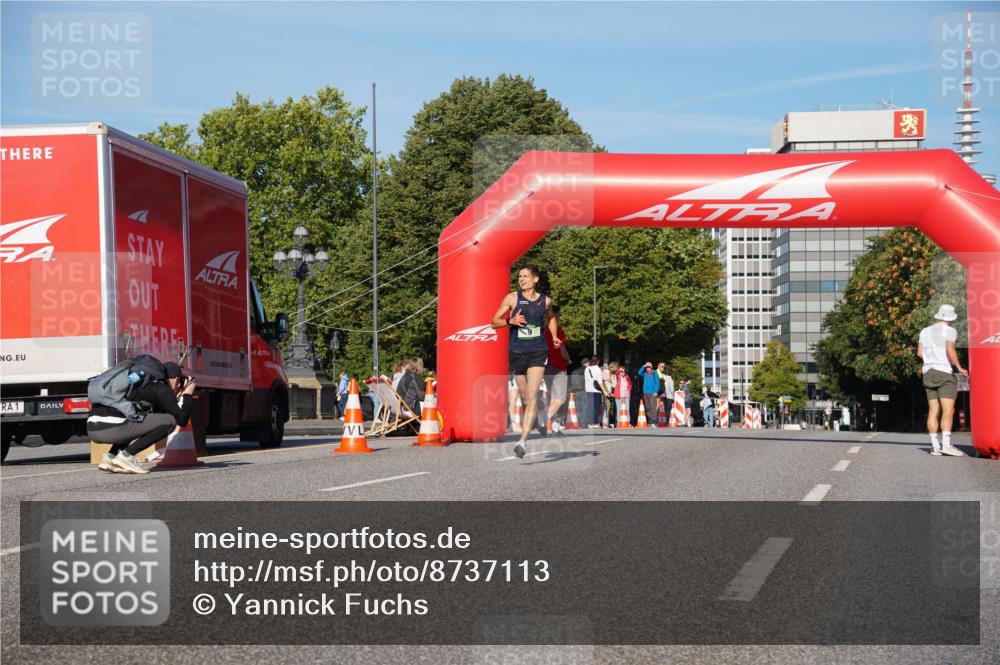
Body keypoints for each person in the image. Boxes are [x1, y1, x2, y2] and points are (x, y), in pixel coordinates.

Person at [490, 264, 560, 459]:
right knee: (524, 397)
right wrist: (509, 321)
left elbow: (551, 318)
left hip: (537, 351)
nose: (521, 280)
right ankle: (539, 407)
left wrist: (553, 336)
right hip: (517, 351)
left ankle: (522, 441)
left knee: (530, 395)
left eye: (526, 276)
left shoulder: (545, 301)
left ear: (535, 279)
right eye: (520, 277)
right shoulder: (512, 298)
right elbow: (493, 321)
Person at [87, 361, 196, 474]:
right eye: (180, 381)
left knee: (137, 420)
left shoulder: (140, 384)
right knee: (170, 421)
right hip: (110, 428)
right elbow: (181, 420)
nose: (180, 385)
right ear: (176, 379)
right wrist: (187, 394)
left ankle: (110, 457)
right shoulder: (161, 388)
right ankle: (126, 456)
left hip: (92, 428)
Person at [917, 304, 969, 457]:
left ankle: (935, 447)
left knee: (933, 410)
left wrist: (931, 359)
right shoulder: (950, 331)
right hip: (944, 372)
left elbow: (919, 353)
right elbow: (950, 349)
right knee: (948, 410)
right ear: (951, 318)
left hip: (928, 372)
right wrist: (958, 367)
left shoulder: (925, 331)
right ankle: (946, 445)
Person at [543, 305, 571, 435]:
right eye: (559, 314)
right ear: (556, 315)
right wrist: (568, 359)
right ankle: (544, 419)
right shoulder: (558, 331)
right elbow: (562, 351)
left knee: (552, 398)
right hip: (558, 367)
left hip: (545, 367)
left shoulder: (543, 330)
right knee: (560, 398)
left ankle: (554, 427)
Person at [637, 362, 660, 428]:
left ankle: (654, 421)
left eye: (649, 367)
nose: (648, 368)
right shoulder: (645, 374)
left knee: (653, 407)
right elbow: (639, 373)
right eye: (647, 367)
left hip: (652, 393)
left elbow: (657, 383)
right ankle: (650, 421)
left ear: (651, 367)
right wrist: (643, 366)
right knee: (647, 407)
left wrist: (655, 391)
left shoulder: (654, 373)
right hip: (645, 393)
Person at [584, 356, 604, 429]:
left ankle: (589, 423)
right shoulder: (598, 369)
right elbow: (600, 382)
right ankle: (595, 423)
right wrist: (604, 391)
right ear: (598, 361)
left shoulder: (587, 368)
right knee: (595, 407)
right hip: (596, 390)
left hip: (588, 390)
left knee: (589, 407)